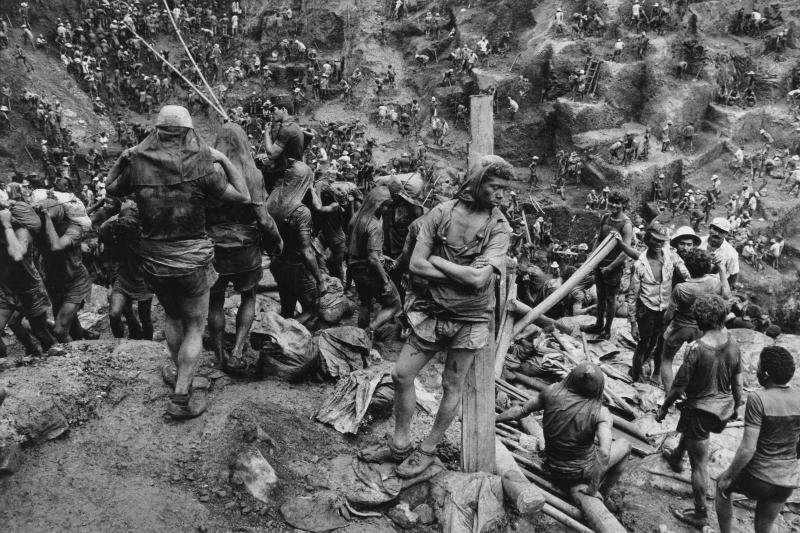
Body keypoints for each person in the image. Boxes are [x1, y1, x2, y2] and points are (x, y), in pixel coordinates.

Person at [359, 155, 512, 477]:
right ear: (477, 183)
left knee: (451, 385)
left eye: (505, 188)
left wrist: (438, 262)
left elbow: (479, 280)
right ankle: (400, 444)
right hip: (432, 312)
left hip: (470, 319)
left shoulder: (498, 228)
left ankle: (428, 449)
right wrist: (461, 272)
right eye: (495, 187)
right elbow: (416, 265)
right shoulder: (441, 213)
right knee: (402, 375)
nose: (501, 195)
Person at [105, 105, 251, 419]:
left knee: (172, 318)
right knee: (195, 327)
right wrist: (224, 159)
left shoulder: (138, 165)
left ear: (156, 132)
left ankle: (179, 373)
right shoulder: (201, 165)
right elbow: (243, 196)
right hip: (192, 260)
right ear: (188, 132)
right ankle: (181, 397)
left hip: (154, 259)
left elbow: (110, 187)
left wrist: (123, 159)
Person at [657, 294, 743, 529]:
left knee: (699, 464)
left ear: (699, 320)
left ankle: (700, 512)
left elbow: (679, 386)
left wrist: (664, 407)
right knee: (693, 435)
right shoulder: (733, 343)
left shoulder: (696, 348)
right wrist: (737, 406)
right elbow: (738, 384)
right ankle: (677, 456)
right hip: (722, 409)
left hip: (701, 411)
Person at [206, 123, 282, 371]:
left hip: (215, 247)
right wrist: (276, 239)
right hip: (246, 248)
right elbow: (264, 219)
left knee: (215, 300)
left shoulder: (207, 172)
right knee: (248, 296)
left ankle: (218, 354)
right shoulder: (253, 173)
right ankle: (237, 351)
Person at [497, 362, 631, 497]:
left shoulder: (551, 391)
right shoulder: (601, 413)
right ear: (599, 387)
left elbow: (521, 410)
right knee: (625, 445)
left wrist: (494, 420)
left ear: (571, 377)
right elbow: (604, 453)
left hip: (551, 466)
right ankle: (605, 493)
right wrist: (592, 489)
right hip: (578, 474)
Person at [715, 346, 800, 533]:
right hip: (786, 482)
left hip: (758, 477)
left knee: (722, 486)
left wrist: (728, 476)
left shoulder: (758, 398)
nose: (757, 371)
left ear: (766, 374)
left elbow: (748, 448)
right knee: (764, 528)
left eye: (759, 367)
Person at [660, 248, 730, 391]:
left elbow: (669, 315)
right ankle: (696, 390)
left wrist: (665, 322)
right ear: (708, 267)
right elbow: (727, 295)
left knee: (666, 360)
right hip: (702, 327)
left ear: (687, 267)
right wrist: (721, 269)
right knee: (699, 361)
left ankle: (669, 394)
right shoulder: (714, 283)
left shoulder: (681, 288)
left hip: (681, 326)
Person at [626, 221, 688, 382]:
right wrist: (632, 323)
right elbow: (632, 295)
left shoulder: (670, 255)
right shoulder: (640, 265)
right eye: (655, 240)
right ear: (647, 239)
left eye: (662, 241)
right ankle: (635, 375)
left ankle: (654, 371)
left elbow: (684, 272)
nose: (659, 244)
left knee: (660, 342)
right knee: (644, 343)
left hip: (665, 309)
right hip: (646, 309)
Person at [266, 160, 325, 322]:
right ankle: (287, 333)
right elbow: (307, 251)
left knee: (287, 306)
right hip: (297, 266)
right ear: (305, 182)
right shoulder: (301, 212)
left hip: (277, 262)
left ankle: (283, 329)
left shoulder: (273, 196)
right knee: (312, 308)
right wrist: (320, 280)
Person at [348, 186, 401, 335]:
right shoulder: (374, 225)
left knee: (365, 304)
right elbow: (372, 258)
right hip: (369, 271)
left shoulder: (355, 217)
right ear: (377, 205)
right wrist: (385, 282)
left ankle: (359, 335)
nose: (386, 209)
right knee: (395, 305)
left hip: (355, 268)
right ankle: (368, 331)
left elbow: (359, 245)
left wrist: (382, 256)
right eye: (384, 206)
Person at [581, 191, 633, 340]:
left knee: (611, 299)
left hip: (613, 268)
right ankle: (598, 324)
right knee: (600, 296)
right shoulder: (605, 217)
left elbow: (625, 251)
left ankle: (607, 329)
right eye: (612, 202)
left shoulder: (626, 225)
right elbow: (599, 239)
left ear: (623, 205)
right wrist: (592, 257)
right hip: (600, 264)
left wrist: (610, 268)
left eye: (617, 203)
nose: (614, 205)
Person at [99, 201, 154, 340]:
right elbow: (103, 227)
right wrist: (121, 213)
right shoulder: (117, 235)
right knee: (114, 314)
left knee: (145, 318)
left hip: (143, 281)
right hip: (123, 279)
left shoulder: (145, 238)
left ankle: (149, 345)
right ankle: (119, 343)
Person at [262, 104, 305, 190]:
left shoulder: (286, 129)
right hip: (296, 169)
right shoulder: (294, 125)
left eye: (273, 110)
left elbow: (271, 154)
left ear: (283, 109)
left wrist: (266, 132)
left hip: (287, 174)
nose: (271, 114)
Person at [700, 217, 739, 286]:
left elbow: (733, 275)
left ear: (726, 234)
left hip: (714, 286)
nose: (717, 233)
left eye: (721, 232)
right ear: (709, 228)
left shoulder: (732, 254)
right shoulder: (699, 242)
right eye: (715, 229)